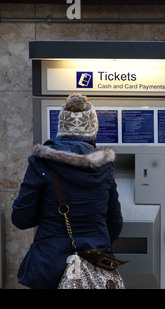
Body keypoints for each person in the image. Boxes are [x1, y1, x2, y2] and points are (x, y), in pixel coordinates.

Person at [12, 93, 123, 289]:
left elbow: (21, 218)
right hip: (94, 263)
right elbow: (115, 223)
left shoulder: (40, 163)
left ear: (61, 127)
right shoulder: (105, 167)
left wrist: (48, 214)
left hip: (49, 266)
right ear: (92, 129)